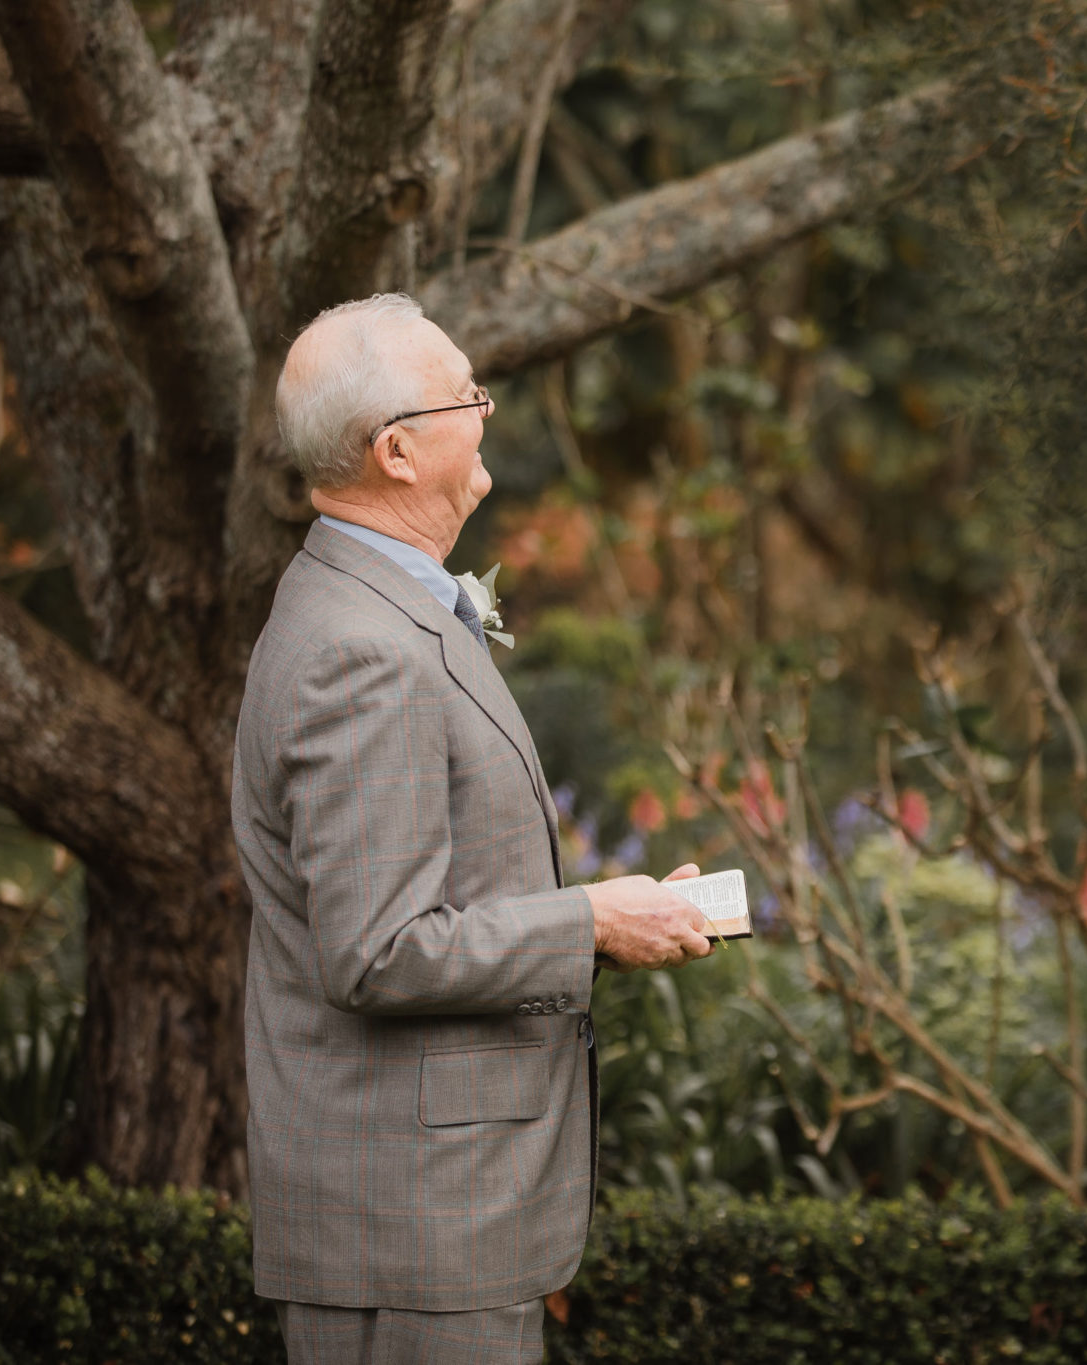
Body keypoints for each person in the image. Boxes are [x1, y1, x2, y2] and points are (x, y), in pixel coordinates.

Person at [232, 293, 717, 1363]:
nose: (485, 412)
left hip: (438, 1219)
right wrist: (587, 918)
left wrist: (618, 914)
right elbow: (379, 950)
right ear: (399, 452)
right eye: (466, 395)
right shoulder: (359, 650)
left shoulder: (372, 607)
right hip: (412, 1229)